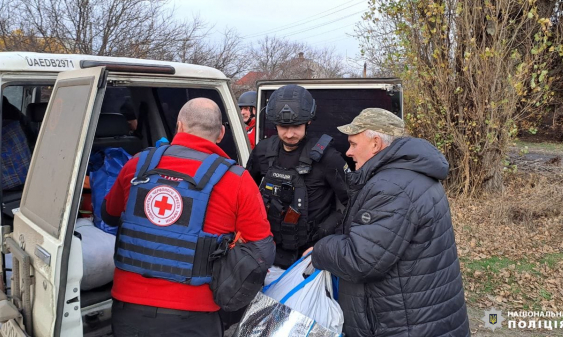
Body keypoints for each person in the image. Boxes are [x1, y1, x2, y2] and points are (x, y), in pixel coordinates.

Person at [101, 98, 274, 337]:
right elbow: (263, 251)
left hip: (128, 309)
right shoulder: (237, 180)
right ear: (221, 133)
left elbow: (108, 215)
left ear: (179, 126)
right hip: (195, 315)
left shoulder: (137, 164)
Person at [309, 108, 470, 337]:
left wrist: (321, 249)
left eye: (354, 144)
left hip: (405, 323)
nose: (348, 152)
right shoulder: (408, 174)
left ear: (375, 144)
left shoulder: (392, 187)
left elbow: (361, 260)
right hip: (420, 314)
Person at [246, 84, 349, 268]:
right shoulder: (263, 151)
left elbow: (352, 202)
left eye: (296, 126)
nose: (289, 134)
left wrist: (325, 238)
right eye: (283, 127)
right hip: (269, 252)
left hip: (311, 255)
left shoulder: (327, 157)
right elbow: (245, 196)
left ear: (308, 122)